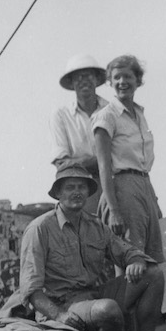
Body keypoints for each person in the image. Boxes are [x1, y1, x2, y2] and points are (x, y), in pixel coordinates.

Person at [6, 164, 165, 331]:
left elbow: (125, 251)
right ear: (58, 193)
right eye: (70, 187)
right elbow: (32, 291)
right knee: (107, 309)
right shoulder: (39, 229)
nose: (77, 192)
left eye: (81, 187)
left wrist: (135, 260)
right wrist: (60, 315)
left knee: (153, 274)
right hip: (62, 305)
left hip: (93, 296)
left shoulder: (95, 225)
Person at [92, 55, 164, 264]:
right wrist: (114, 211)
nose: (122, 82)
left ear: (138, 80)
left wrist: (154, 200)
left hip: (144, 186)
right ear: (110, 82)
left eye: (128, 76)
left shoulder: (140, 114)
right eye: (117, 77)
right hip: (121, 188)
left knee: (151, 259)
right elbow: (103, 166)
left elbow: (142, 163)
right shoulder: (106, 116)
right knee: (132, 259)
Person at [50, 54, 108, 214]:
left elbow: (122, 155)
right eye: (78, 77)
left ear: (96, 79)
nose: (84, 80)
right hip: (81, 188)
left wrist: (78, 162)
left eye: (88, 75)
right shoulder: (61, 115)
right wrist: (101, 161)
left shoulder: (112, 110)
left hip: (112, 185)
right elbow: (62, 164)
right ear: (71, 82)